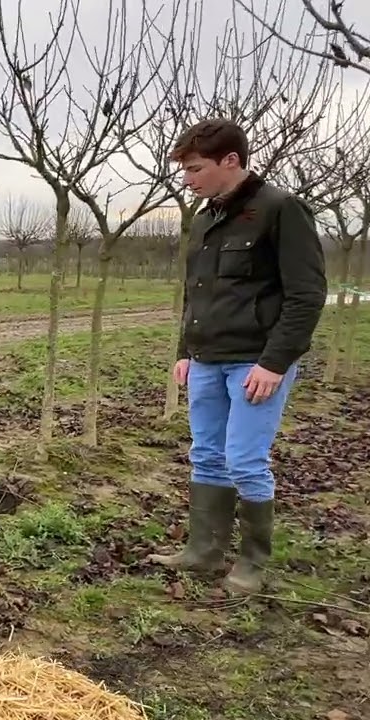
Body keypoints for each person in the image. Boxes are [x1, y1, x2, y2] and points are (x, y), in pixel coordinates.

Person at [147, 118, 327, 594]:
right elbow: (197, 292)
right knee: (205, 455)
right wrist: (186, 350)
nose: (187, 179)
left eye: (195, 168)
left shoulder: (280, 209)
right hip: (206, 360)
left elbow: (306, 294)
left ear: (231, 161)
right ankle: (204, 551)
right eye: (185, 169)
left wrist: (276, 362)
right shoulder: (206, 218)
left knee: (244, 459)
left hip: (255, 361)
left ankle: (251, 564)